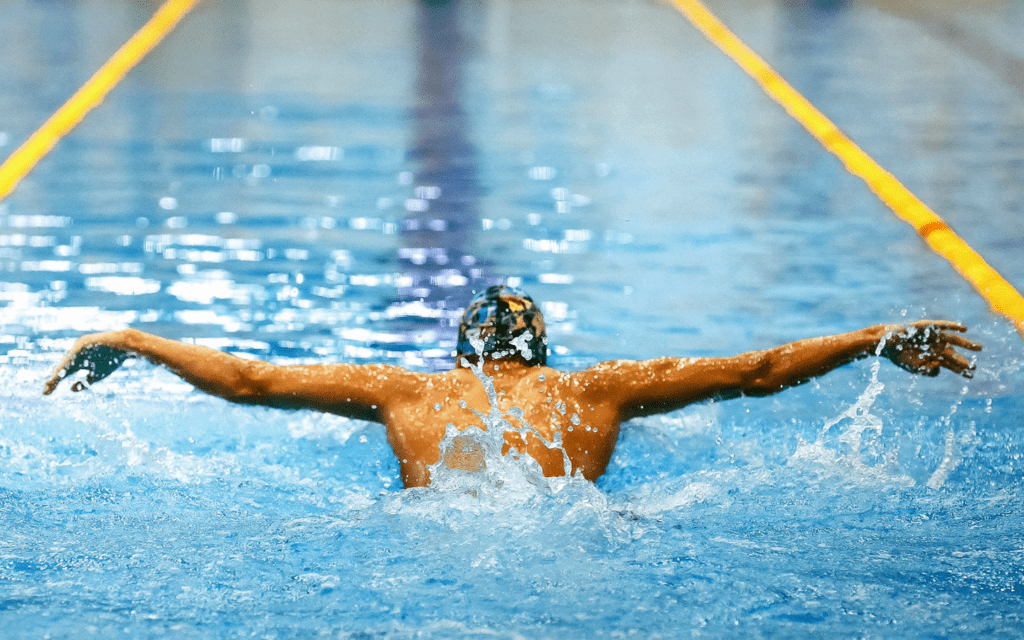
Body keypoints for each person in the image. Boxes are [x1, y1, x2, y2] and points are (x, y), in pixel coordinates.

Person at [43, 285, 981, 488]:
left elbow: (249, 381)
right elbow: (758, 372)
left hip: (432, 554)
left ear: (463, 356)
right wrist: (870, 338)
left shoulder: (405, 394)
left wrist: (132, 337)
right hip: (573, 547)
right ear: (543, 350)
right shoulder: (603, 390)